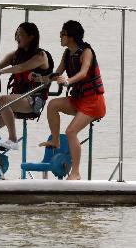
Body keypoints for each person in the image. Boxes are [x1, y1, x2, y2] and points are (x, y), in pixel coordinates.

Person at [42, 20, 106, 180]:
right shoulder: (67, 53)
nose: (60, 37)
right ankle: (55, 140)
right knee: (53, 104)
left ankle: (76, 172)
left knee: (71, 132)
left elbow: (84, 72)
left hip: (93, 102)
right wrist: (39, 79)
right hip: (78, 99)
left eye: (62, 34)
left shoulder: (86, 52)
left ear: (71, 37)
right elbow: (56, 74)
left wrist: (68, 81)